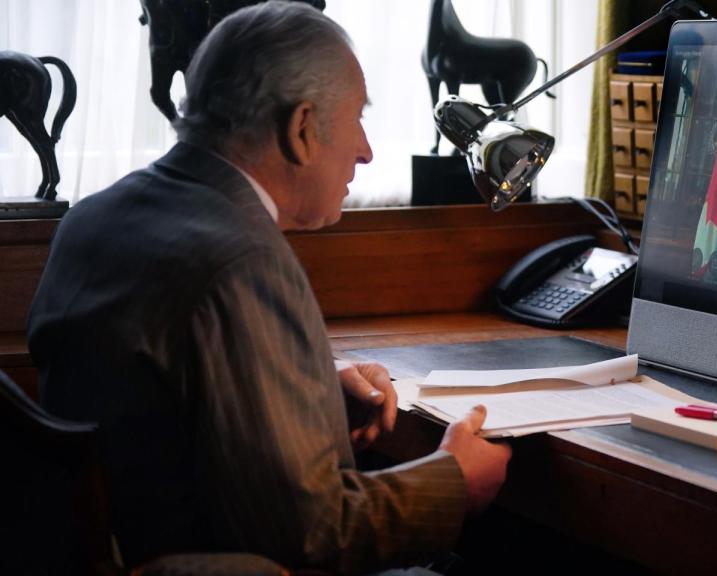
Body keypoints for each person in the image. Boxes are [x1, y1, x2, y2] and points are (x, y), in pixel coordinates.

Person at [26, 2, 510, 573]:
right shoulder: (241, 260)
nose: (366, 149)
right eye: (357, 118)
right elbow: (311, 536)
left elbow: (156, 402)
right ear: (302, 129)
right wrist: (454, 481)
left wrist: (308, 390)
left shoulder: (93, 217)